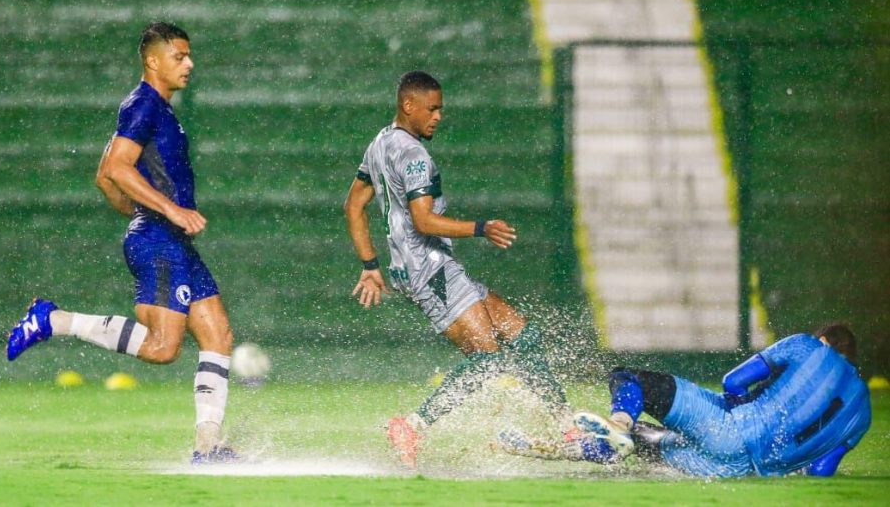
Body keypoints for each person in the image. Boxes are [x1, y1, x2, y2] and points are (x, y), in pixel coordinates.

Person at [6, 22, 236, 464]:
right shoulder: (144, 104)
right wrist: (164, 213)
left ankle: (208, 449)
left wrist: (145, 215)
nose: (189, 64)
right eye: (179, 56)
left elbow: (103, 176)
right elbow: (115, 168)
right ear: (153, 61)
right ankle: (53, 320)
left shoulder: (155, 108)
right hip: (160, 241)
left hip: (169, 240)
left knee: (218, 335)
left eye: (189, 55)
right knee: (162, 348)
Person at [344, 70, 571, 467]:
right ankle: (413, 426)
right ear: (408, 105)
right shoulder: (414, 155)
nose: (438, 117)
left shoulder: (380, 142)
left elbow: (353, 205)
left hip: (425, 266)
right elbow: (423, 221)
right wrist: (481, 228)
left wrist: (370, 265)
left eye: (441, 109)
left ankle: (567, 425)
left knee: (521, 334)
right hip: (429, 269)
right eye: (431, 109)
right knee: (487, 359)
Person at [501, 323, 872, 477]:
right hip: (736, 471)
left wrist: (735, 414)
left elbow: (733, 382)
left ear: (825, 342)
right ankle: (559, 447)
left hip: (730, 431)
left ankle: (619, 425)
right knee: (646, 441)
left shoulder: (807, 346)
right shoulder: (863, 415)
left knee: (629, 379)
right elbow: (820, 471)